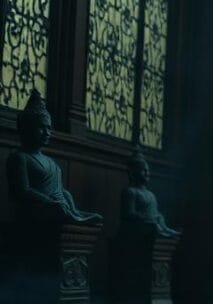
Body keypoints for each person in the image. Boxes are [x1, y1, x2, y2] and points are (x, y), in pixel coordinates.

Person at [6, 90, 102, 224]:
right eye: (41, 127)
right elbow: (22, 191)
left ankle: (75, 214)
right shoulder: (19, 157)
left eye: (49, 128)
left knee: (66, 196)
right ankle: (72, 215)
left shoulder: (51, 162)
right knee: (57, 209)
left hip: (58, 207)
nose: (47, 133)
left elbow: (61, 192)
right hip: (36, 211)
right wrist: (49, 202)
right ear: (26, 127)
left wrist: (69, 207)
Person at [123, 148, 181, 237]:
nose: (147, 173)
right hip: (139, 228)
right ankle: (160, 231)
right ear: (133, 173)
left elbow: (155, 212)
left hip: (152, 224)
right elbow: (129, 214)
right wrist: (146, 217)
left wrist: (159, 217)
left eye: (148, 170)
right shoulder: (130, 191)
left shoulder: (151, 194)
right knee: (153, 226)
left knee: (158, 221)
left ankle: (165, 230)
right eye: (143, 170)